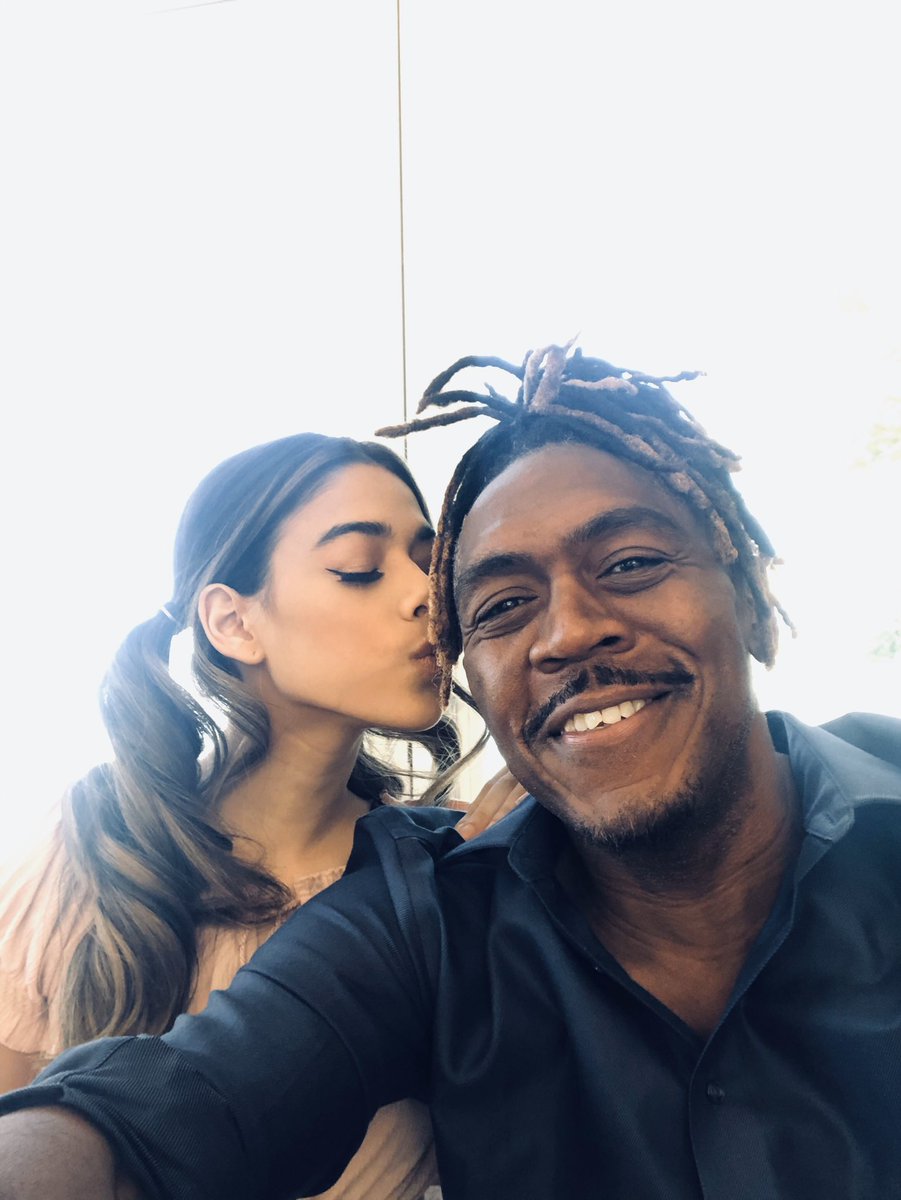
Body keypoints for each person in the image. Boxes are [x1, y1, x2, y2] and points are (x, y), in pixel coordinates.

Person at [1, 342, 900, 1200]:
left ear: (744, 589)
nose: (566, 630)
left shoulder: (460, 861)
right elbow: (162, 1109)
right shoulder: (422, 909)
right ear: (231, 622)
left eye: (630, 563)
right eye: (500, 604)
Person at [0, 431, 522, 1199]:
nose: (426, 596)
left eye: (428, 561)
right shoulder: (87, 845)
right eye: (359, 568)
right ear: (234, 623)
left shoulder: (434, 879)